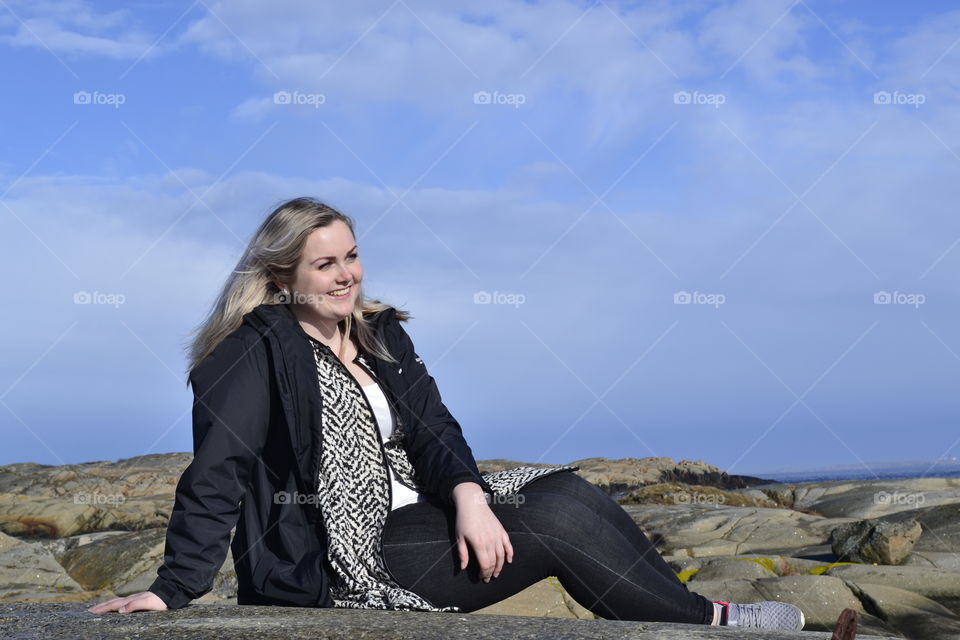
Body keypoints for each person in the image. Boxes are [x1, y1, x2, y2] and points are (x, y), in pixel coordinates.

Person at [87, 197, 804, 630]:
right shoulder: (250, 357)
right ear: (282, 277)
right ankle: (717, 626)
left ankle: (682, 617)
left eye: (353, 256)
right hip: (344, 560)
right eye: (325, 265)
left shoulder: (378, 333)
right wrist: (171, 590)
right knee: (553, 525)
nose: (347, 275)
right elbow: (219, 471)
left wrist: (467, 496)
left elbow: (435, 429)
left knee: (566, 489)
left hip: (419, 513)